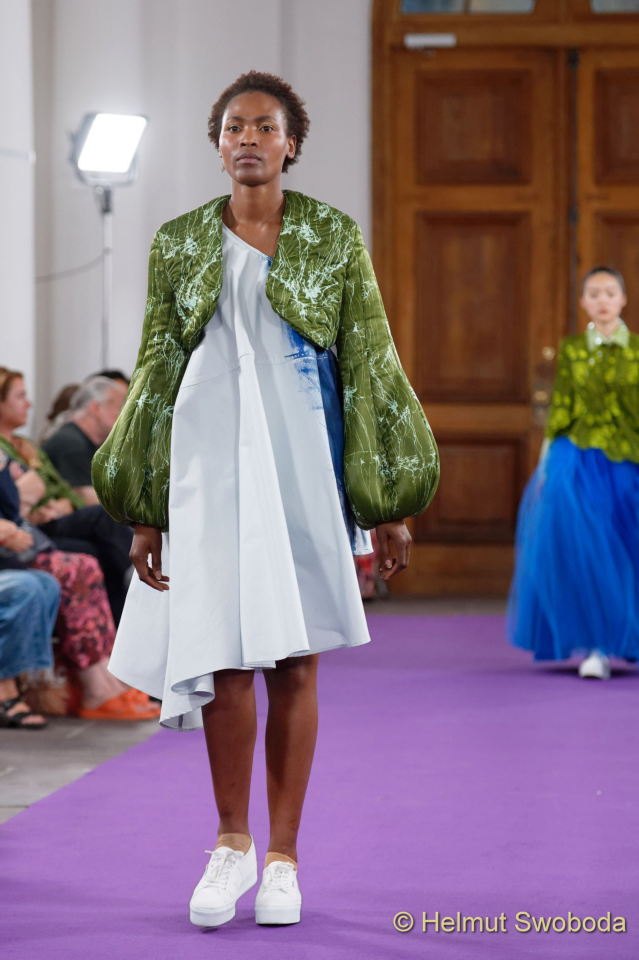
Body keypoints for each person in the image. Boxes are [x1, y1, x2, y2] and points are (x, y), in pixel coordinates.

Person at [92, 71, 439, 928]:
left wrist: (387, 500)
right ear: (217, 146)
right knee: (221, 655)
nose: (247, 138)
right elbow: (153, 374)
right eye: (233, 127)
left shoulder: (330, 235)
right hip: (206, 465)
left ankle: (283, 858)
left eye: (264, 126)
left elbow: (370, 365)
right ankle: (230, 842)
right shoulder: (178, 242)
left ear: (291, 144)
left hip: (298, 460)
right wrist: (146, 505)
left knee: (294, 659)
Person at [508, 266, 639, 679]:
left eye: (610, 293)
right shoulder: (573, 349)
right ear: (583, 302)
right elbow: (561, 410)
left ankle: (625, 638)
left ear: (623, 299)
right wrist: (546, 464)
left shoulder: (636, 350)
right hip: (578, 460)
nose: (603, 301)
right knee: (589, 549)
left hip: (628, 461)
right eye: (594, 294)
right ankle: (598, 646)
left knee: (626, 550)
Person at [0, 456, 158, 720]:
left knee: (84, 562)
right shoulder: (66, 442)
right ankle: (97, 685)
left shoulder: (11, 451)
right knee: (66, 571)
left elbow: (17, 507)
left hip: (21, 545)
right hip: (13, 551)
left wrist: (5, 472)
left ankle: (107, 673)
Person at [0, 368, 133, 624]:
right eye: (20, 396)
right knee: (102, 519)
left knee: (93, 548)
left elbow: (63, 491)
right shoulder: (66, 441)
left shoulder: (25, 445)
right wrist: (39, 500)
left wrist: (59, 502)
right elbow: (18, 501)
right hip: (29, 529)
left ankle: (117, 626)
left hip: (45, 521)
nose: (29, 403)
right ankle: (136, 576)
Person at [42, 375, 128, 506]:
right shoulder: (71, 443)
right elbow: (88, 498)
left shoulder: (86, 441)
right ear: (96, 408)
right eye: (118, 407)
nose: (123, 414)